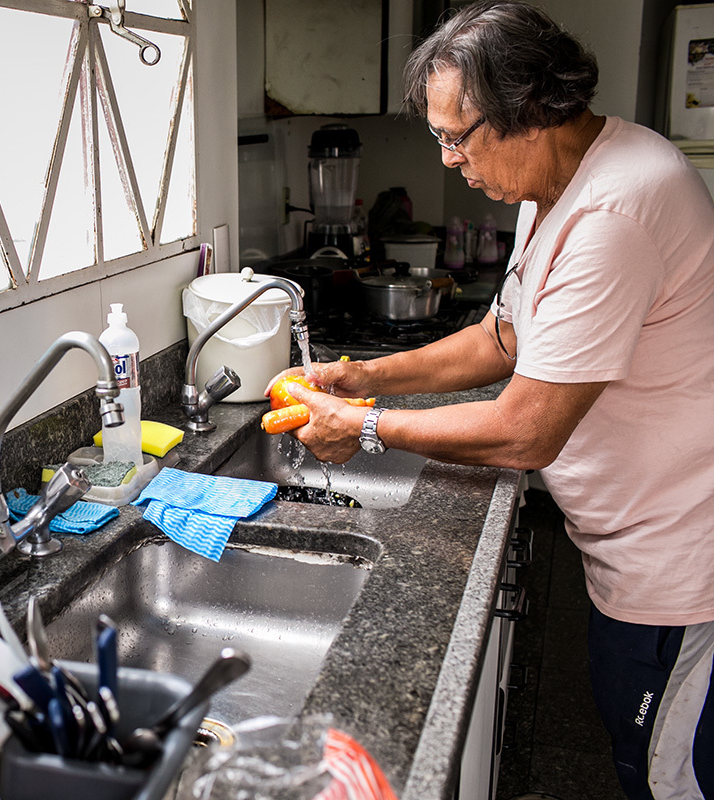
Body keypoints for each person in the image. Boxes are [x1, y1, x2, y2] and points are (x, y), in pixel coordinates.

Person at [273, 2, 714, 797]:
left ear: (531, 109)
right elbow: (500, 339)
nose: (446, 160)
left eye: (456, 136)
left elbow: (527, 432)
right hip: (633, 542)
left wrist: (364, 427)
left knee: (664, 774)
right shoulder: (551, 183)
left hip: (679, 562)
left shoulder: (615, 211)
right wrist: (363, 376)